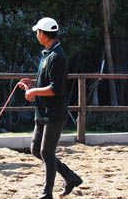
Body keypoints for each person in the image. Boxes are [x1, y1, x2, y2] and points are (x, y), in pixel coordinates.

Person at [18, 17, 83, 199]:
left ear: (44, 34)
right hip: (43, 112)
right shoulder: (48, 54)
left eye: (38, 32)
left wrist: (34, 92)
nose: (37, 35)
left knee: (46, 152)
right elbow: (49, 81)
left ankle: (47, 194)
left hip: (53, 114)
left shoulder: (56, 57)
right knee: (36, 149)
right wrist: (33, 83)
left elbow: (57, 88)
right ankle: (70, 177)